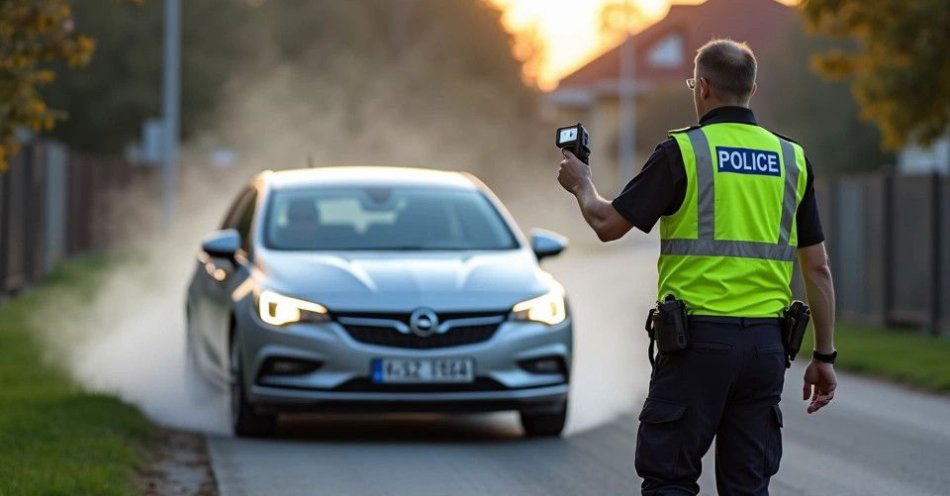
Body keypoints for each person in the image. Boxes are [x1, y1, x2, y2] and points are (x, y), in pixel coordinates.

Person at [556, 39, 838, 495]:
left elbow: (608, 225)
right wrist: (824, 357)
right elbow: (818, 269)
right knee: (748, 485)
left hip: (696, 346)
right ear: (752, 88)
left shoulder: (683, 152)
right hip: (766, 349)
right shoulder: (792, 159)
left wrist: (582, 185)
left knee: (670, 479)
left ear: (703, 87)